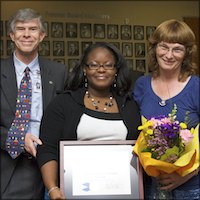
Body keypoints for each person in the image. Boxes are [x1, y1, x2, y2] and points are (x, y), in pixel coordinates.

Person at [37, 42, 141, 199]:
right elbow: (47, 150)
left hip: (121, 191)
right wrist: (52, 188)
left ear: (116, 70)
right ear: (84, 69)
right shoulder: (63, 103)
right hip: (72, 192)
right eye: (93, 65)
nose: (101, 70)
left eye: (108, 65)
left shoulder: (130, 105)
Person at [0, 8, 68, 199]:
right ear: (12, 35)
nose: (27, 34)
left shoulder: (59, 72)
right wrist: (18, 137)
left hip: (52, 160)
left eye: (33, 29)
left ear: (42, 35)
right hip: (12, 164)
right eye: (21, 29)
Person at [133, 19, 200, 199]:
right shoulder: (141, 85)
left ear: (186, 53)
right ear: (154, 49)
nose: (169, 55)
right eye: (164, 47)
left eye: (177, 49)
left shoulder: (196, 87)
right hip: (149, 188)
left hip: (191, 189)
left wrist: (187, 173)